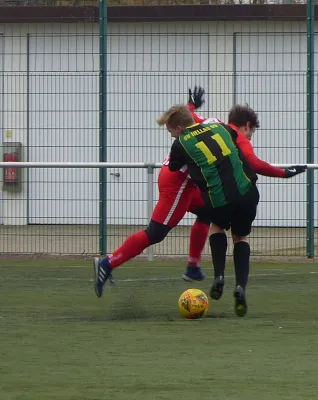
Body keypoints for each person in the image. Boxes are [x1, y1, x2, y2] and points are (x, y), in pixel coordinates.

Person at [156, 103, 305, 317]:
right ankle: (240, 287)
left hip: (219, 196)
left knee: (216, 228)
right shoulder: (221, 128)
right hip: (247, 191)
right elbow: (249, 160)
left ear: (177, 128)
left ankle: (219, 276)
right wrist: (285, 173)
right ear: (247, 125)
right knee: (241, 238)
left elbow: (175, 162)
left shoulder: (182, 142)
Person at [93, 87, 217, 298]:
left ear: (179, 128)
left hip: (180, 180)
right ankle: (107, 263)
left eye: (170, 131)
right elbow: (189, 117)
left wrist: (190, 105)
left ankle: (193, 267)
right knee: (155, 233)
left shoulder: (192, 127)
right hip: (176, 185)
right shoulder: (205, 124)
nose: (171, 136)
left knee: (207, 212)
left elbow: (187, 114)